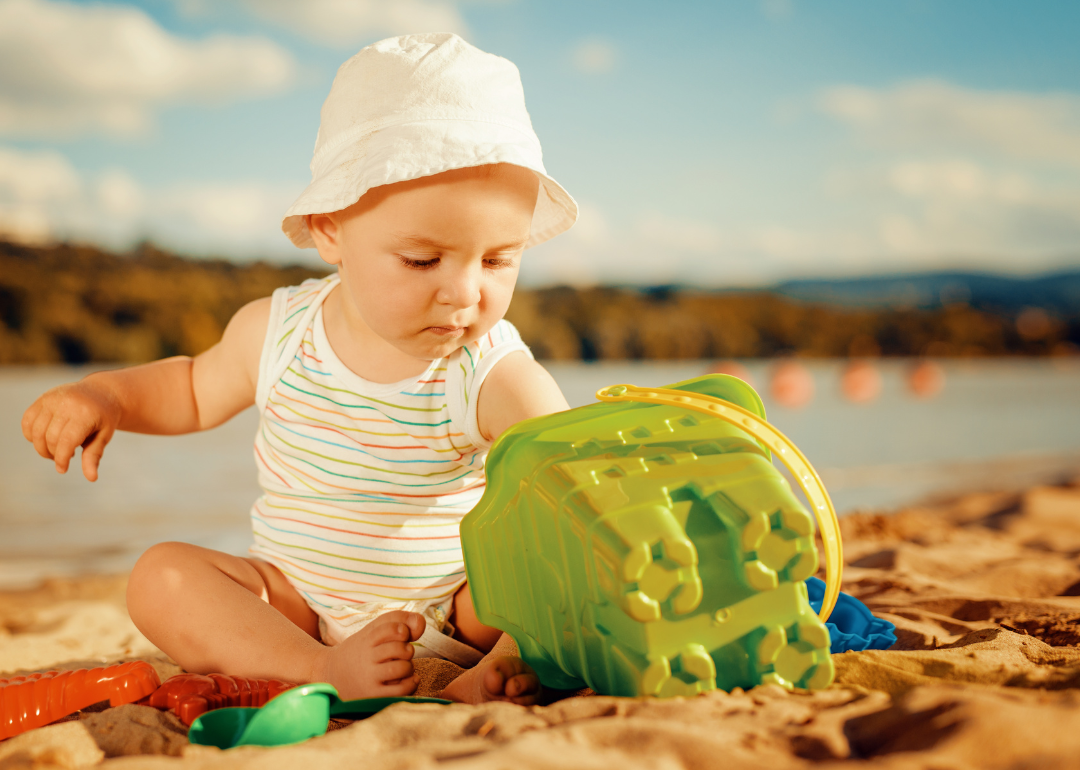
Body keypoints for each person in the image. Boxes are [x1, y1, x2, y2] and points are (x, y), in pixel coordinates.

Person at [20, 33, 578, 706]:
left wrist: (518, 630)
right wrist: (105, 394)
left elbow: (570, 471)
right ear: (330, 230)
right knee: (160, 576)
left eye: (497, 260)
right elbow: (193, 389)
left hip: (456, 614)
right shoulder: (279, 330)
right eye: (423, 260)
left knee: (534, 560)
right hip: (298, 609)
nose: (464, 293)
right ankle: (321, 673)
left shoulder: (487, 369)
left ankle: (493, 671)